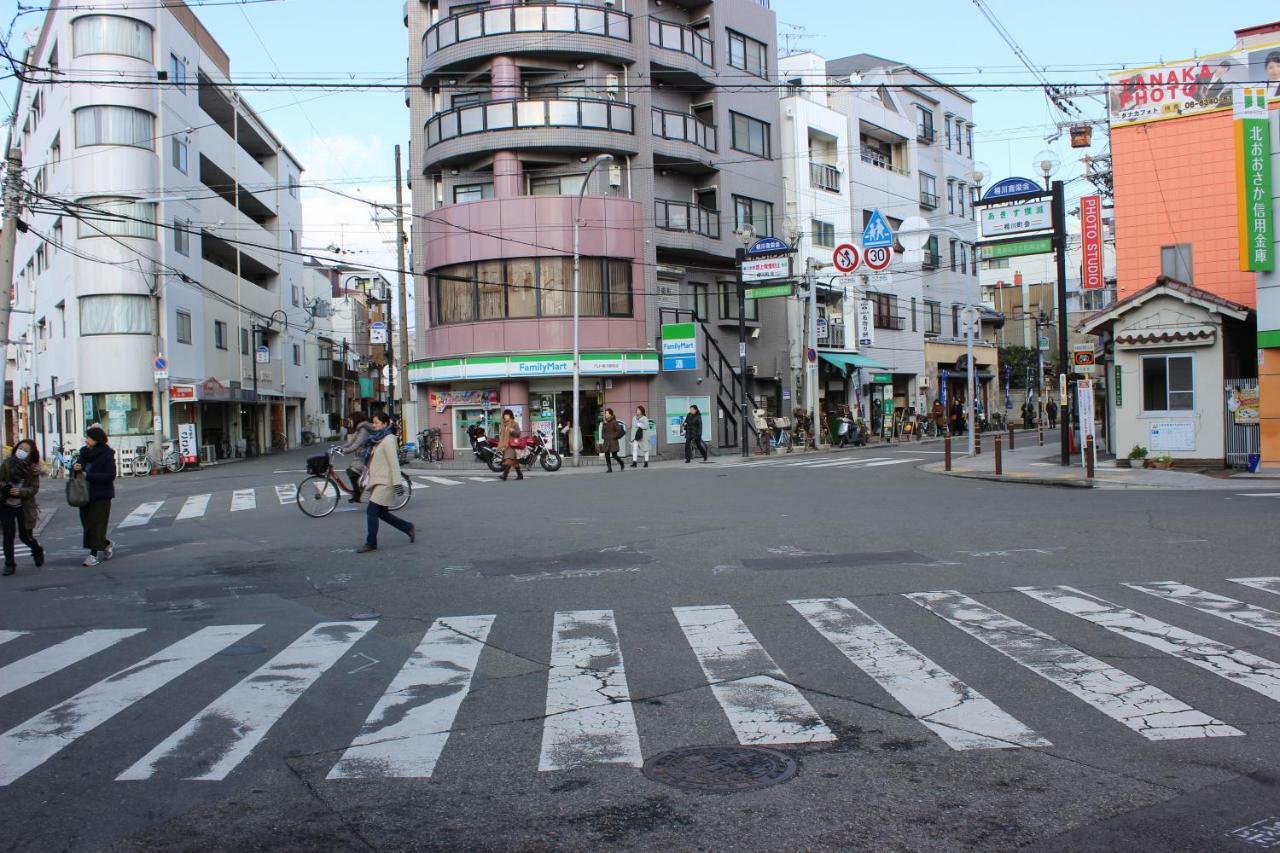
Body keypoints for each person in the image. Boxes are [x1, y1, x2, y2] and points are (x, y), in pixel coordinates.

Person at [358, 412, 415, 553]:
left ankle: (371, 543)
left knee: (371, 511)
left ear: (384, 424)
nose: (374, 425)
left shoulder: (388, 439)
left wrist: (397, 483)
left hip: (385, 482)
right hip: (377, 480)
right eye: (373, 422)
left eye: (377, 422)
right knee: (382, 513)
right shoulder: (378, 439)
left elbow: (394, 463)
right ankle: (407, 527)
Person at [1, 439, 45, 576]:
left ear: (31, 454)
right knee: (8, 535)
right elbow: (1, 479)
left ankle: (36, 550)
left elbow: (34, 489)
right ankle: (9, 564)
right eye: (20, 448)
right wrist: (6, 489)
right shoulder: (7, 463)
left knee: (25, 536)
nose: (22, 451)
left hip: (24, 506)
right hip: (6, 504)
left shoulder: (32, 469)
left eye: (26, 450)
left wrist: (21, 492)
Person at [73, 426, 116, 567]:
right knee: (87, 524)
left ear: (96, 439)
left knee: (95, 525)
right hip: (84, 494)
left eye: (89, 438)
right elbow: (78, 468)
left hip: (101, 495)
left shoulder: (107, 454)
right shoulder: (83, 452)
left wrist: (88, 475)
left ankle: (93, 555)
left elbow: (110, 476)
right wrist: (76, 468)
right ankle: (106, 544)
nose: (86, 440)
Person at [339, 412, 374, 503]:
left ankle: (358, 493)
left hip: (368, 456)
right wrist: (339, 448)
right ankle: (358, 492)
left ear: (355, 419)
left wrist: (344, 451)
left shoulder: (363, 430)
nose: (349, 422)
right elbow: (351, 442)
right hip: (362, 455)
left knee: (352, 471)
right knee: (351, 471)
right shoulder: (359, 429)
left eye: (350, 420)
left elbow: (356, 445)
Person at [496, 408, 523, 481]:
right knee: (514, 461)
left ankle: (504, 475)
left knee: (508, 460)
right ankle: (520, 475)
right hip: (506, 445)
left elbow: (518, 433)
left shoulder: (514, 423)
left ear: (510, 415)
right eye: (505, 415)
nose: (506, 416)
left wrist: (512, 430)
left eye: (507, 415)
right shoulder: (503, 425)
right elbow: (502, 435)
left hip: (512, 445)